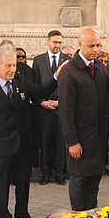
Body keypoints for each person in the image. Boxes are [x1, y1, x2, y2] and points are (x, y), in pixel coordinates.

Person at [0, 43, 59, 218]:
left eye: (14, 65)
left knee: (23, 185)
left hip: (23, 145)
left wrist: (56, 77)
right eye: (8, 66)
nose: (13, 69)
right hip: (0, 147)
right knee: (1, 186)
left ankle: (22, 216)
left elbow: (42, 91)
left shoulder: (20, 82)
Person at [58, 28, 109, 211]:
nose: (95, 49)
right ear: (80, 45)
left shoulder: (99, 67)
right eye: (91, 45)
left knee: (93, 184)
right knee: (79, 183)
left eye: (98, 45)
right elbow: (66, 110)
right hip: (80, 140)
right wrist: (72, 142)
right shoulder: (70, 71)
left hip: (97, 139)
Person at [32, 30, 71, 186]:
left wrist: (61, 103)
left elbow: (70, 86)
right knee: (46, 141)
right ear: (48, 42)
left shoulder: (68, 60)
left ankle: (59, 173)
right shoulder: (38, 60)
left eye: (60, 42)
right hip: (44, 109)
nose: (58, 45)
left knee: (61, 142)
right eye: (55, 42)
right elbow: (35, 85)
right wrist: (41, 101)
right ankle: (45, 172)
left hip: (61, 109)